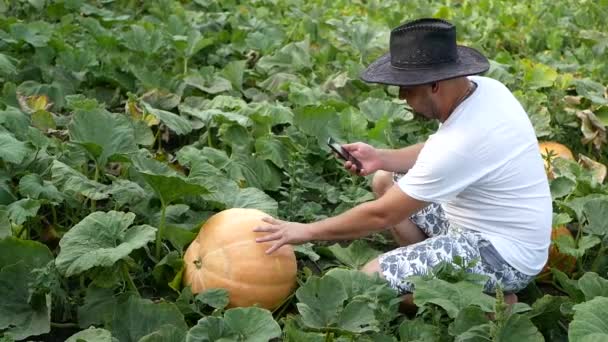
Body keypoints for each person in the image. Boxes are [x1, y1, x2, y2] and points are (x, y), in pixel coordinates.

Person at [253, 18, 552, 306]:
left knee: (371, 285)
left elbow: (380, 216)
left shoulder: (461, 143)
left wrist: (304, 231)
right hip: (482, 225)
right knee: (384, 178)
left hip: (503, 256)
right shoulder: (483, 90)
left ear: (434, 84)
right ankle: (424, 270)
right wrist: (381, 158)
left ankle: (490, 304)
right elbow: (437, 150)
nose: (401, 97)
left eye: (406, 88)